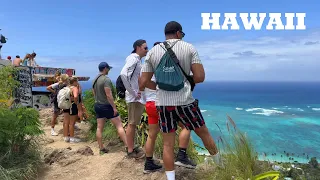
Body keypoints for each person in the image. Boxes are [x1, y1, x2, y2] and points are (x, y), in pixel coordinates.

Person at [139, 21, 220, 180]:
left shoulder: (153, 52)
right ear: (178, 33)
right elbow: (200, 77)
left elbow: (143, 82)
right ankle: (221, 164)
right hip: (185, 101)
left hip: (163, 103)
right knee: (203, 133)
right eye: (182, 34)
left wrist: (160, 86)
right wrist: (185, 81)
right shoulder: (189, 48)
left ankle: (170, 178)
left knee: (168, 144)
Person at [142, 42, 196, 174]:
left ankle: (148, 163)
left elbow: (141, 84)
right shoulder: (163, 68)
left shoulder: (149, 67)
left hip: (149, 104)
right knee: (186, 125)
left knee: (151, 135)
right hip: (161, 103)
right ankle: (181, 156)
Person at [119, 39, 148, 159]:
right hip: (134, 99)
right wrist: (134, 92)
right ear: (138, 47)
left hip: (136, 98)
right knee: (132, 124)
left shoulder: (136, 60)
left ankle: (131, 147)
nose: (147, 50)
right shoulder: (134, 59)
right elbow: (123, 74)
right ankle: (130, 150)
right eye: (145, 48)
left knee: (133, 124)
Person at [92, 62, 128, 155]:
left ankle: (101, 148)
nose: (109, 70)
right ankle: (128, 146)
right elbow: (109, 95)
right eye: (108, 69)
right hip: (107, 106)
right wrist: (114, 107)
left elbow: (94, 93)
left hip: (97, 105)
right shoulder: (106, 79)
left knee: (99, 127)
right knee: (119, 125)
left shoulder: (95, 79)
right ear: (105, 68)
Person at [62, 76, 81, 143]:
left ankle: (66, 137)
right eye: (77, 81)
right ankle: (72, 138)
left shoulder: (66, 88)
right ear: (74, 82)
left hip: (66, 106)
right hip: (72, 106)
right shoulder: (74, 88)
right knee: (72, 123)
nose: (77, 83)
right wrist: (75, 102)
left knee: (66, 123)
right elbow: (75, 96)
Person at [46, 70, 62, 136]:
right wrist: (55, 92)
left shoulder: (57, 82)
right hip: (57, 100)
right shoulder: (57, 83)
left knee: (57, 114)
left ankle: (53, 129)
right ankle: (52, 130)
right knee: (55, 114)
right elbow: (48, 88)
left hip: (59, 99)